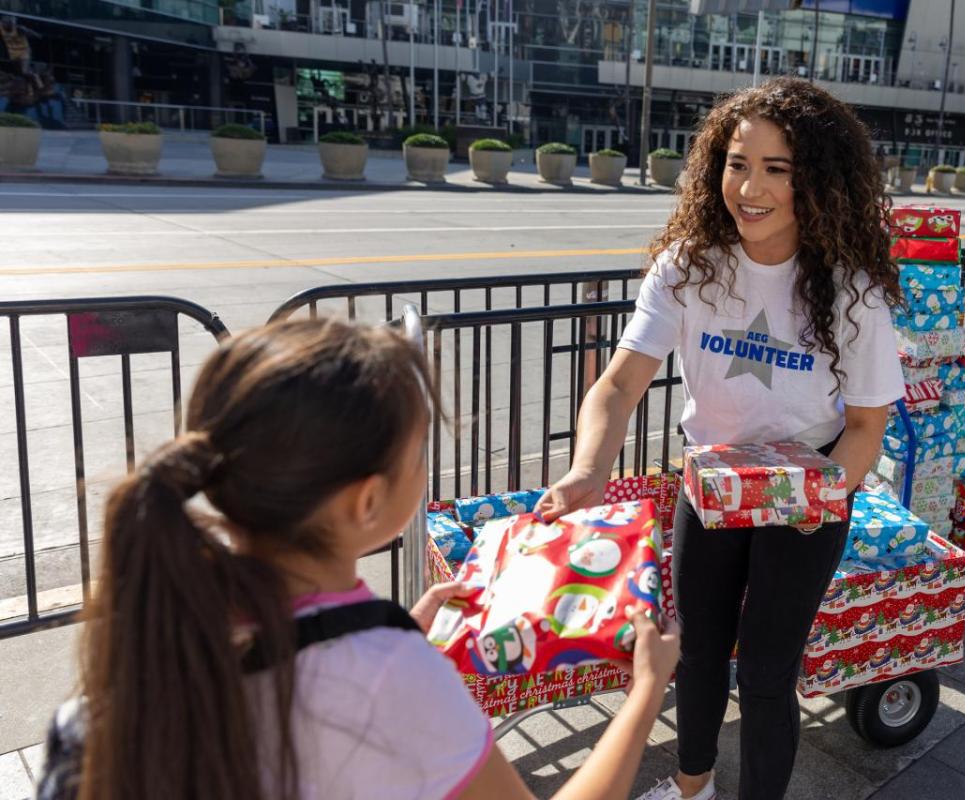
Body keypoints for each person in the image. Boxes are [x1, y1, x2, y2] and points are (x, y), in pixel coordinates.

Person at [40, 319, 680, 800]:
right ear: (369, 501)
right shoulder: (392, 677)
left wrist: (396, 630)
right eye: (417, 450)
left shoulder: (174, 610)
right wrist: (645, 692)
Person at [535, 76, 905, 800]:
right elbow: (617, 385)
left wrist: (818, 492)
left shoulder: (853, 291)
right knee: (697, 654)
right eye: (738, 163)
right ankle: (691, 787)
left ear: (819, 180)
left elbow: (865, 429)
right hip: (708, 495)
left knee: (768, 676)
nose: (750, 187)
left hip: (808, 506)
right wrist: (586, 471)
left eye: (777, 168)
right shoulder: (687, 268)